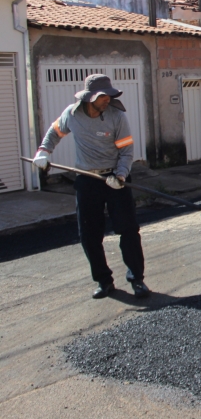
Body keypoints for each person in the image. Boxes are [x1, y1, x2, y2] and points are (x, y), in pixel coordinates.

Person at [32, 74, 150, 299]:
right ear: (90, 98)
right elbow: (54, 133)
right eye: (103, 96)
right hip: (88, 180)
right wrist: (44, 151)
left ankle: (137, 280)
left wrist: (121, 175)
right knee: (89, 234)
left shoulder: (117, 116)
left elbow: (126, 152)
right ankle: (104, 281)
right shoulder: (72, 114)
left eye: (109, 95)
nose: (107, 99)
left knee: (129, 231)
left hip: (116, 178)